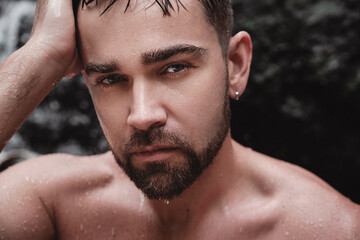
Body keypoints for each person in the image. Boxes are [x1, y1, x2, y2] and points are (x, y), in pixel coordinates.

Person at [0, 0, 359, 239]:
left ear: (236, 65)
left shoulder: (331, 229)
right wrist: (41, 55)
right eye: (111, 79)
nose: (142, 116)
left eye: (174, 68)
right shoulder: (51, 206)